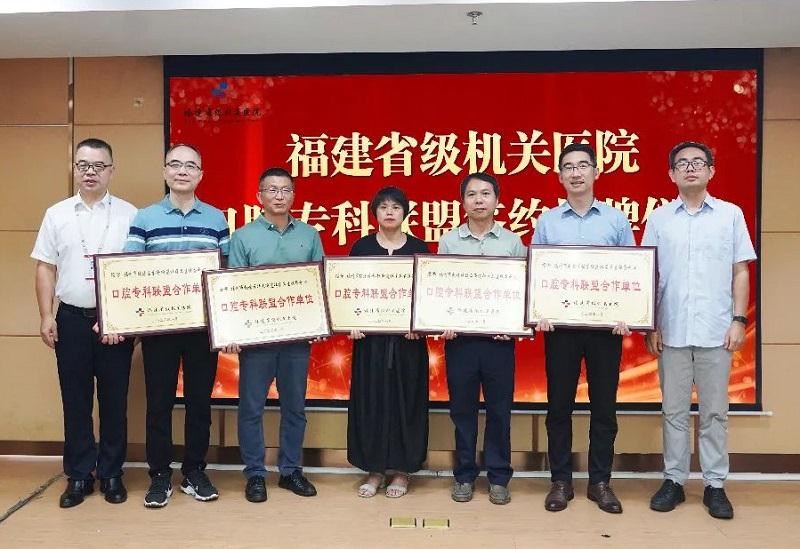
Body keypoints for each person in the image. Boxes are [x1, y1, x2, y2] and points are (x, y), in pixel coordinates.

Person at [643, 141, 756, 520]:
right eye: (682, 163)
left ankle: (715, 485)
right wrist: (651, 324)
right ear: (671, 174)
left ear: (711, 170)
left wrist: (739, 320)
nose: (690, 168)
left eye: (698, 162)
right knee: (673, 411)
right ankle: (674, 480)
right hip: (671, 330)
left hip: (717, 331)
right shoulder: (659, 219)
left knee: (714, 413)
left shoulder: (730, 215)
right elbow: (648, 275)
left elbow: (740, 271)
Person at [32, 138, 137, 507]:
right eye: (83, 165)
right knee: (75, 400)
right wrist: (47, 315)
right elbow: (45, 267)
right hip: (71, 319)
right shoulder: (56, 214)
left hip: (115, 323)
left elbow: (138, 271)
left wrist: (124, 318)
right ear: (75, 169)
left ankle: (111, 473)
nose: (90, 172)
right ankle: (78, 475)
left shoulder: (129, 214)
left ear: (111, 170)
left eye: (98, 166)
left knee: (114, 400)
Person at [124, 143, 230, 508]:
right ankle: (159, 475)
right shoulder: (145, 218)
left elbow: (225, 273)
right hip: (160, 329)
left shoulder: (216, 219)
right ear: (165, 172)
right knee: (159, 403)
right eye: (175, 164)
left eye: (190, 166)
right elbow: (129, 270)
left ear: (200, 174)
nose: (182, 171)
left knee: (200, 403)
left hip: (202, 329)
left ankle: (195, 471)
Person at [532, 142, 634, 514]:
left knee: (604, 407)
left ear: (595, 172)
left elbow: (632, 273)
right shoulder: (548, 221)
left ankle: (600, 482)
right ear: (560, 176)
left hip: (606, 330)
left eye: (582, 165)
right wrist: (539, 310)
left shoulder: (616, 220)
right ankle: (560, 481)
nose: (576, 173)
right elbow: (537, 273)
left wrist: (628, 313)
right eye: (569, 167)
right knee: (559, 406)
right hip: (561, 329)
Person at [225, 167, 324, 504]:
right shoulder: (243, 237)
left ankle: (290, 470)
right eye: (272, 190)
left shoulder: (309, 235)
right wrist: (233, 331)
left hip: (296, 340)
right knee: (251, 408)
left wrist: (319, 323)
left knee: (294, 407)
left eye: (285, 190)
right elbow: (233, 289)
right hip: (257, 341)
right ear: (259, 196)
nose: (279, 196)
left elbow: (318, 283)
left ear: (293, 196)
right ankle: (255, 473)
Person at [437, 172, 526, 505]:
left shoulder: (512, 243)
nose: (479, 200)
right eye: (472, 194)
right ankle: (464, 475)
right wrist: (442, 321)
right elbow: (439, 289)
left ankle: (499, 477)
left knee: (500, 411)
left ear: (497, 201)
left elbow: (523, 291)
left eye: (485, 194)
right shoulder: (449, 242)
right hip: (461, 341)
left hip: (499, 342)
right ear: (463, 202)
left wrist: (514, 324)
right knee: (462, 412)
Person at [346, 186, 430, 498]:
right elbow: (348, 291)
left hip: (409, 343)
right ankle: (375, 469)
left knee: (407, 404)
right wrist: (350, 322)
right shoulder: (362, 247)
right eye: (383, 207)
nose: (390, 212)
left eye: (396, 206)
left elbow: (429, 294)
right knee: (372, 403)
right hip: (371, 344)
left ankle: (403, 472)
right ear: (375, 213)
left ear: (405, 212)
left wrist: (420, 325)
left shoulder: (419, 248)